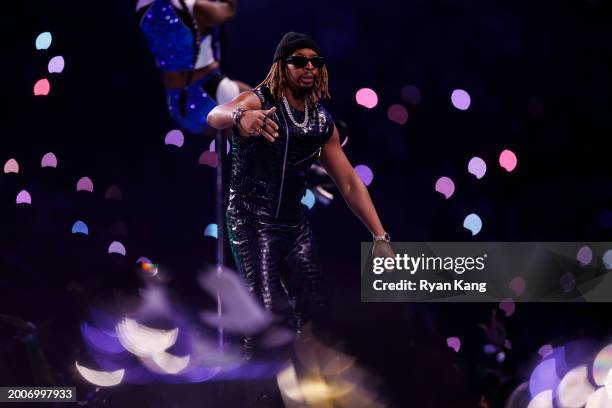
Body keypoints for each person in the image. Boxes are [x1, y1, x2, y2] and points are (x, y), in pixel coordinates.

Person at [206, 32, 392, 357]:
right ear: (281, 65)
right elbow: (215, 114)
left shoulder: (321, 122)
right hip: (251, 221)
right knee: (263, 319)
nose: (309, 67)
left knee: (315, 319)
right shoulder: (258, 101)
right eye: (299, 61)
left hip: (294, 228)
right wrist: (240, 117)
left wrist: (380, 236)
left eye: (315, 62)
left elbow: (348, 181)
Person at [136, 0, 249, 134]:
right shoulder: (191, 6)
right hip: (209, 94)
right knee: (269, 111)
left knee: (234, 146)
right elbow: (227, 11)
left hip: (175, 103)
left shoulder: (142, 7)